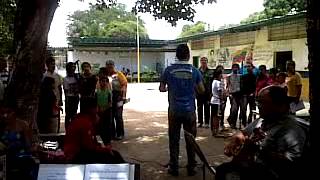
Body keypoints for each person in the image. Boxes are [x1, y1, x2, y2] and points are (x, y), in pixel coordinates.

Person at [216, 85, 307, 180]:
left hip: (269, 173)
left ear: (279, 105)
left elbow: (291, 163)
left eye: (262, 102)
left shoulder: (292, 129)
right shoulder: (263, 119)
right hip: (251, 166)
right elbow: (243, 132)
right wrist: (235, 140)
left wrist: (258, 150)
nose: (258, 105)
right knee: (222, 170)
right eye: (257, 101)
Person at [159, 44, 205, 176]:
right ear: (188, 55)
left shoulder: (168, 70)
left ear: (176, 55)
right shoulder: (195, 71)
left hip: (174, 110)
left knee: (174, 139)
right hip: (190, 110)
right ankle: (192, 167)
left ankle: (174, 167)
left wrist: (171, 88)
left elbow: (162, 88)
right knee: (190, 139)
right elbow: (201, 90)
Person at [64, 98, 125, 164]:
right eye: (96, 107)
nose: (98, 109)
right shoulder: (85, 123)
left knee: (115, 154)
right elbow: (89, 147)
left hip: (80, 151)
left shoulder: (82, 118)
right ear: (92, 109)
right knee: (113, 156)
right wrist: (105, 149)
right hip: (76, 155)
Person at [106, 60, 128, 140]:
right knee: (110, 116)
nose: (109, 67)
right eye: (108, 66)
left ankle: (120, 133)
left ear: (113, 66)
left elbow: (124, 85)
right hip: (108, 97)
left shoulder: (119, 74)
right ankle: (112, 134)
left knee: (118, 116)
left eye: (111, 66)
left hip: (118, 96)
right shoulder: (104, 75)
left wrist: (123, 96)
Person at [43, 56, 63, 132]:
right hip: (48, 101)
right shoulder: (44, 76)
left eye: (54, 64)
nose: (53, 66)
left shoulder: (57, 76)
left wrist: (60, 99)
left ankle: (56, 132)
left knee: (57, 118)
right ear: (47, 65)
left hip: (56, 99)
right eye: (51, 64)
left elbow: (59, 88)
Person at [196, 57, 213, 128]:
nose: (203, 62)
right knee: (199, 108)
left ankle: (206, 122)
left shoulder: (211, 72)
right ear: (200, 62)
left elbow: (212, 83)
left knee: (207, 108)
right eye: (202, 61)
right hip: (199, 93)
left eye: (205, 61)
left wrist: (212, 93)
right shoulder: (197, 71)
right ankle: (200, 122)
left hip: (207, 93)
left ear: (207, 62)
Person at [96, 75, 113, 144]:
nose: (104, 83)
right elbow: (96, 102)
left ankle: (108, 140)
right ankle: (101, 139)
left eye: (105, 81)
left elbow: (110, 103)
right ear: (99, 82)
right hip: (99, 111)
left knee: (107, 125)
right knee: (100, 125)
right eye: (102, 81)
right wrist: (98, 109)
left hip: (107, 111)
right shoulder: (97, 92)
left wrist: (104, 108)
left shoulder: (109, 92)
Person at [63, 62, 80, 130]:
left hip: (76, 97)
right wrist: (66, 101)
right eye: (71, 67)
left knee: (74, 114)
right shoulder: (65, 79)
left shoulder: (77, 77)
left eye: (74, 67)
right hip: (69, 98)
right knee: (68, 115)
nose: (73, 69)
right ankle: (67, 130)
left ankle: (74, 129)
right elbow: (65, 91)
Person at [226, 63, 241, 129]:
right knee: (233, 108)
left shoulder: (240, 76)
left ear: (238, 68)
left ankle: (233, 122)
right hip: (232, 94)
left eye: (236, 67)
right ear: (232, 68)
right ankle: (231, 121)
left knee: (236, 109)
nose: (235, 69)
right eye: (234, 67)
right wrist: (229, 93)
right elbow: (227, 85)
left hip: (238, 94)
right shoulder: (229, 76)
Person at [210, 70, 223, 136]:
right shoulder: (218, 82)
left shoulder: (214, 81)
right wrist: (222, 100)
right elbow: (220, 93)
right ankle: (216, 131)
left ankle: (214, 131)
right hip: (217, 101)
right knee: (216, 117)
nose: (222, 76)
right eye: (221, 74)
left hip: (213, 100)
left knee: (214, 116)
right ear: (218, 75)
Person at [215, 65, 228, 129]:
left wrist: (225, 93)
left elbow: (225, 87)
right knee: (218, 112)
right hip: (218, 97)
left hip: (224, 96)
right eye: (221, 71)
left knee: (222, 111)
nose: (222, 73)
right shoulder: (216, 80)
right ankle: (217, 125)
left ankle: (222, 123)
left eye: (222, 70)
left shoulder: (224, 78)